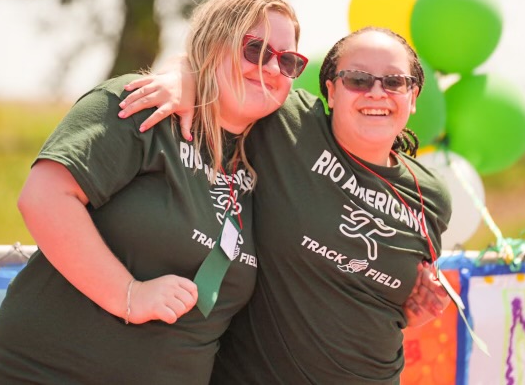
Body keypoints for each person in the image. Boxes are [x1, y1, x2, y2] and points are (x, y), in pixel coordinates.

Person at [0, 0, 309, 384]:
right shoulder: (143, 106)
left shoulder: (273, 149)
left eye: (288, 60)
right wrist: (129, 295)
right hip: (47, 372)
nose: (272, 68)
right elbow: (44, 197)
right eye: (255, 50)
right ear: (214, 43)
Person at [119, 26, 453, 384]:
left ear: (413, 96)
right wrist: (181, 79)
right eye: (357, 79)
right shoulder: (288, 125)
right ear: (331, 90)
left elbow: (378, 292)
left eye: (394, 82)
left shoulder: (430, 195)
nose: (376, 93)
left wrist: (412, 307)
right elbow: (214, 68)